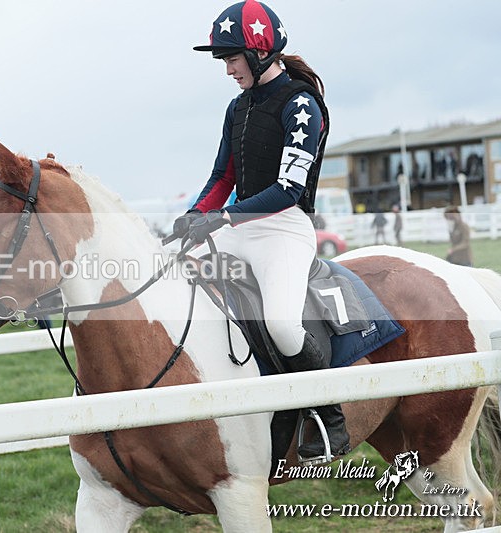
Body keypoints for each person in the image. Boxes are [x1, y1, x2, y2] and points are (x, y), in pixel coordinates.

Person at [172, 0, 349, 460]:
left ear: (258, 50)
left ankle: (327, 415)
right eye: (225, 61)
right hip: (240, 226)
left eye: (231, 59)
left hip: (284, 230)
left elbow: (289, 189)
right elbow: (222, 179)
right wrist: (194, 216)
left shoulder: (303, 105)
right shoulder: (237, 108)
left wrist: (225, 217)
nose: (228, 69)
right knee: (176, 281)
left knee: (282, 324)